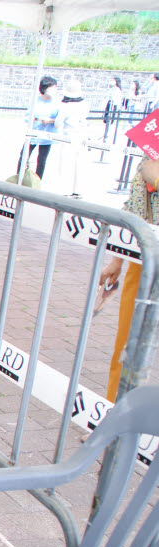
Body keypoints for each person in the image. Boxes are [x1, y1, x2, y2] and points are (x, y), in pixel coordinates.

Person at [98, 158, 159, 403]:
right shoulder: (150, 150)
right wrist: (118, 258)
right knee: (127, 344)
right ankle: (115, 415)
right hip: (143, 260)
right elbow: (133, 207)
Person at [17, 75, 59, 181]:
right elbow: (28, 117)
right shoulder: (35, 101)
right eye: (53, 87)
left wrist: (49, 120)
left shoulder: (56, 103)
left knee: (41, 160)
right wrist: (39, 119)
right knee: (24, 156)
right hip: (33, 133)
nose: (55, 89)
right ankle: (19, 177)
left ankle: (37, 181)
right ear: (45, 88)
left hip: (48, 135)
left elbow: (60, 119)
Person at [58, 78, 89, 198]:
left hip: (69, 136)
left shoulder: (65, 107)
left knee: (66, 163)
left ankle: (65, 190)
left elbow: (58, 123)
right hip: (82, 136)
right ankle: (78, 189)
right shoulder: (85, 104)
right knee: (79, 163)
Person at [104, 76, 123, 141]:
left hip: (113, 104)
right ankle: (106, 132)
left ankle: (108, 133)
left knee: (110, 119)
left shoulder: (117, 90)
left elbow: (117, 98)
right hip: (109, 103)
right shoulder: (112, 88)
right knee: (106, 118)